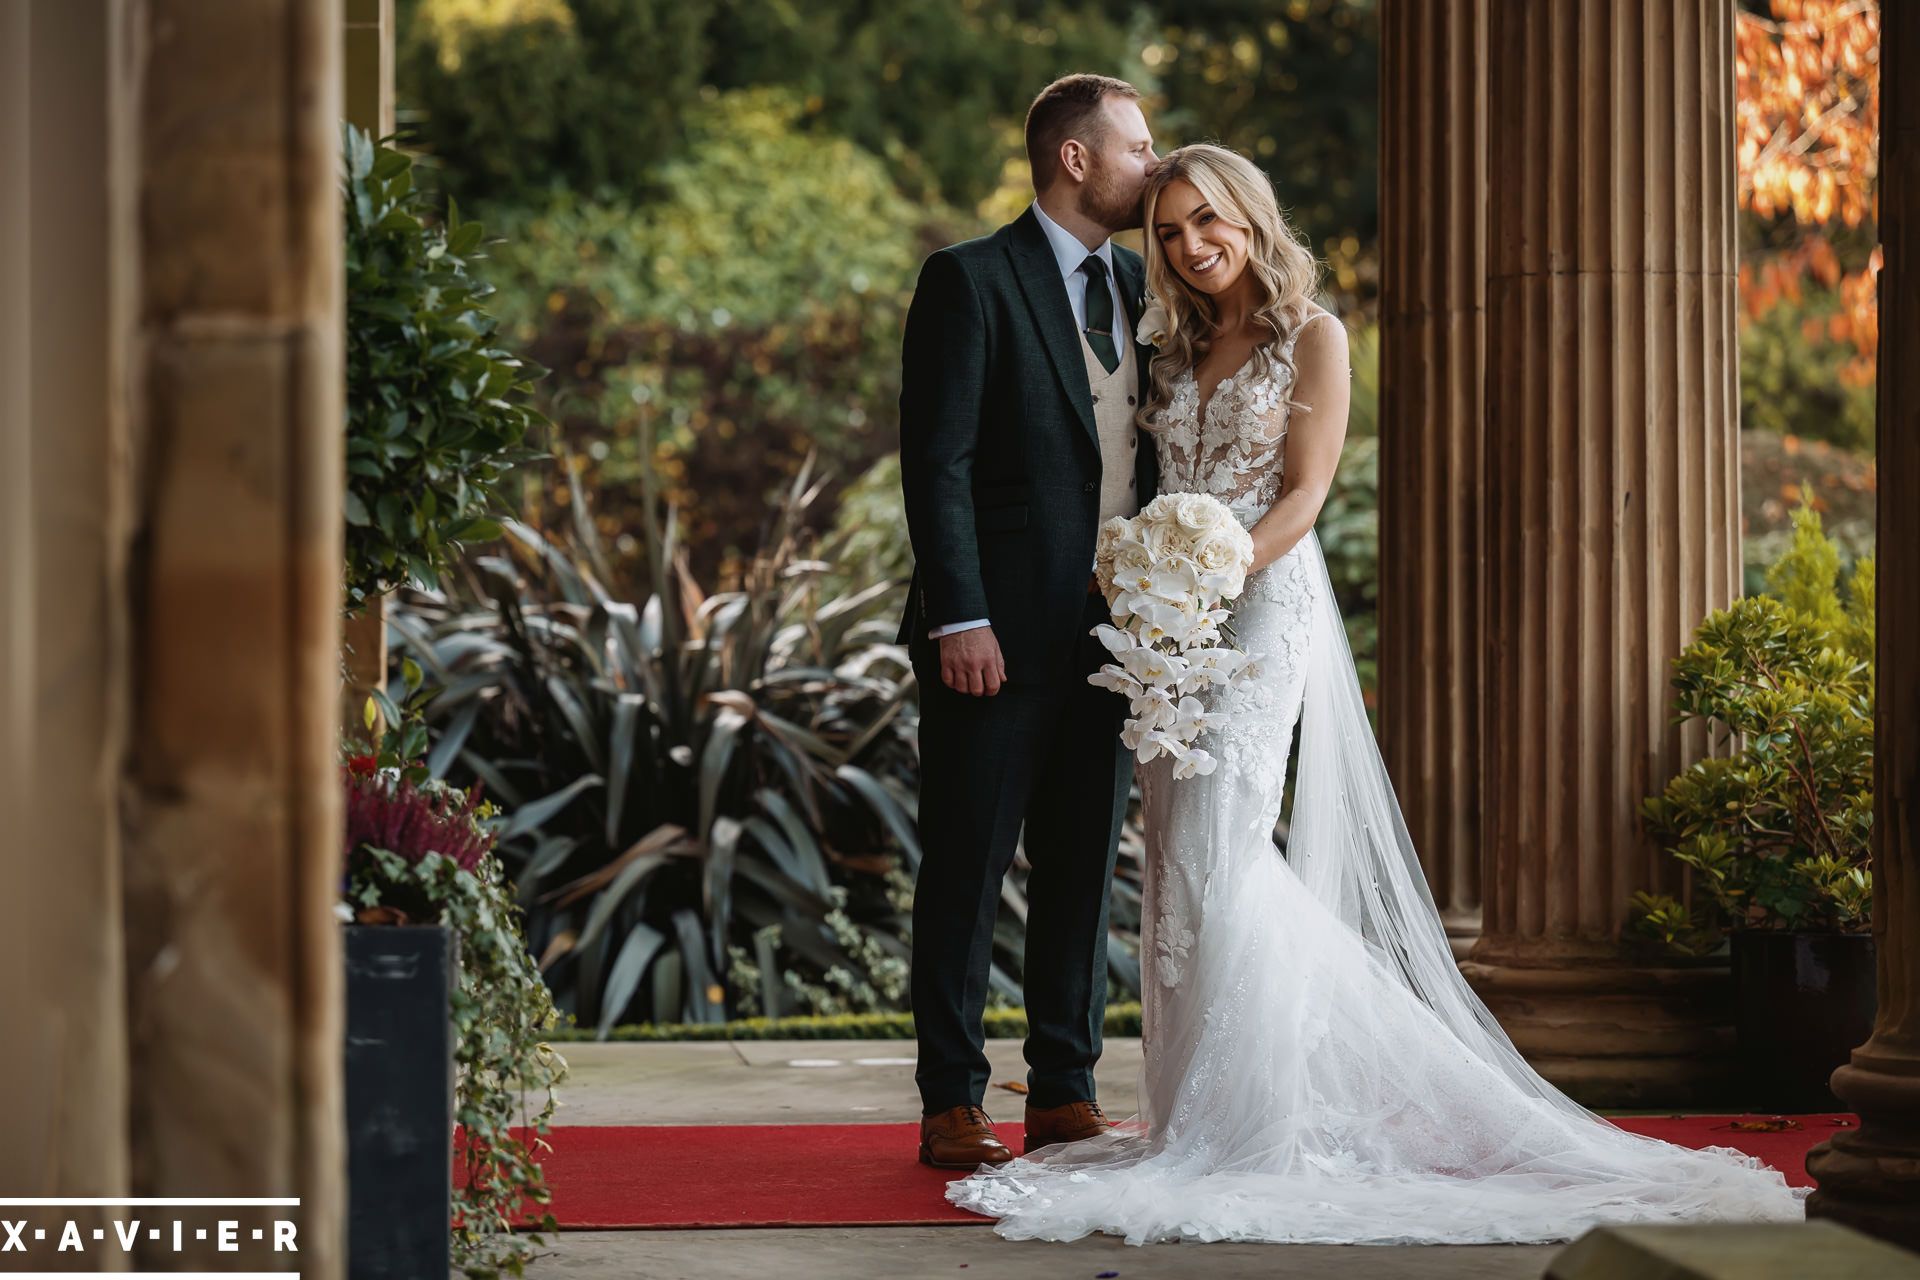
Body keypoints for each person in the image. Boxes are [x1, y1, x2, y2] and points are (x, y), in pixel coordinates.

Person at [944, 143, 1808, 1244]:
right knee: (1174, 865)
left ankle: (1266, 1121)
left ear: (1252, 219)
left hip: (1258, 606)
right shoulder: (1172, 345)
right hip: (1167, 621)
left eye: (1208, 221)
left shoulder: (1315, 336)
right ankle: (1201, 1112)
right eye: (1166, 231)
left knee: (1221, 844)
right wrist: (1156, 587)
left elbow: (1305, 492)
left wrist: (1212, 570)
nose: (1189, 245)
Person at [896, 73, 1160, 1169]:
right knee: (968, 860)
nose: (1156, 165)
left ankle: (1063, 1085)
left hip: (1110, 635)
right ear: (1075, 158)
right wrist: (961, 613)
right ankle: (954, 1096)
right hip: (992, 635)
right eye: (1138, 148)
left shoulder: (1150, 286)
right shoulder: (970, 280)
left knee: (1082, 863)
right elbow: (938, 460)